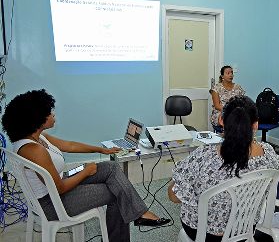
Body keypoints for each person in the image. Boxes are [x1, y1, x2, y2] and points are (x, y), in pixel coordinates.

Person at [1, 89, 170, 242]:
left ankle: (140, 214)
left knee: (110, 168)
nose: (53, 115)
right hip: (52, 203)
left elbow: (70, 146)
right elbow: (59, 188)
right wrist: (86, 171)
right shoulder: (33, 150)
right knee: (115, 192)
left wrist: (102, 150)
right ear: (38, 119)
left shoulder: (36, 137)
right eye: (50, 112)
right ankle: (132, 224)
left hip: (58, 186)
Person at [168, 95, 279, 241]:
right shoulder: (267, 153)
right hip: (245, 229)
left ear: (221, 120)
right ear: (256, 124)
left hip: (205, 234)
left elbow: (174, 196)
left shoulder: (203, 156)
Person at [210, 65, 245, 131]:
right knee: (231, 119)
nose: (231, 75)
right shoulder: (216, 88)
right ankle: (229, 138)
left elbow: (242, 102)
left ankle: (241, 139)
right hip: (221, 112)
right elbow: (217, 106)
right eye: (228, 73)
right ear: (222, 76)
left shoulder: (238, 87)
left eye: (232, 73)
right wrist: (230, 111)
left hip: (235, 112)